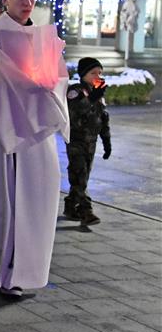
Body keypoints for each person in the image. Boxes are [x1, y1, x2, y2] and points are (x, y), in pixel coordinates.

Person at [0, 0, 70, 297]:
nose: (27, 4)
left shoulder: (43, 36)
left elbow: (60, 77)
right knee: (11, 200)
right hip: (8, 130)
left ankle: (31, 267)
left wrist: (51, 88)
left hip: (39, 132)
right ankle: (9, 269)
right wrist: (23, 89)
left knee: (38, 197)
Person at [64, 57, 111, 226]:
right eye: (93, 73)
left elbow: (103, 117)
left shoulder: (97, 93)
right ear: (83, 74)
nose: (97, 76)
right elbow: (75, 111)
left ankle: (70, 205)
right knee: (80, 176)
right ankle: (86, 211)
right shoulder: (75, 91)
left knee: (81, 177)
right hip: (76, 141)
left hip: (91, 142)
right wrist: (92, 98)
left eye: (100, 72)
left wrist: (107, 141)